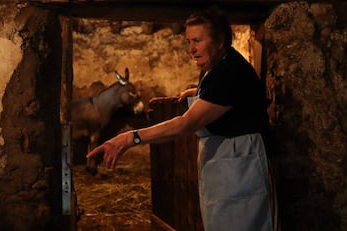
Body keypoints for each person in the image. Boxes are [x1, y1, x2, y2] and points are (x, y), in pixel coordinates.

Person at [87, 8, 273, 231]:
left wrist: (131, 138)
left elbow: (185, 124)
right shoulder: (215, 67)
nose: (191, 49)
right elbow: (223, 96)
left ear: (221, 40)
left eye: (197, 40)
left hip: (241, 164)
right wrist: (198, 92)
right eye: (188, 41)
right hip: (227, 163)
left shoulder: (230, 72)